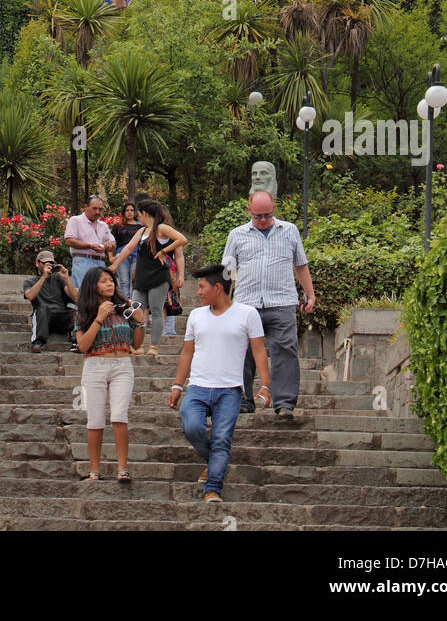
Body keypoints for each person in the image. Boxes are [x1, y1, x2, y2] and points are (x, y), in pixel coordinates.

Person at [168, 264, 271, 503]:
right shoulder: (196, 315)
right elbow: (186, 353)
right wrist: (177, 385)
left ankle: (213, 488)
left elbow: (258, 351)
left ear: (217, 288)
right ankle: (216, 461)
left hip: (230, 390)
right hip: (197, 387)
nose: (199, 292)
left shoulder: (247, 314)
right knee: (192, 427)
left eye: (202, 287)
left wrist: (265, 386)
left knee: (222, 438)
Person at [223, 190, 316, 419]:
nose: (262, 220)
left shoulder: (290, 231)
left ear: (274, 208)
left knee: (285, 351)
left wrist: (310, 295)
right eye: (257, 216)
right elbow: (227, 272)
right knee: (241, 352)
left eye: (266, 215)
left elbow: (301, 265)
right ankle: (244, 400)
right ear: (249, 211)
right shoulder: (237, 235)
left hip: (282, 301)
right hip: (246, 303)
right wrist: (223, 303)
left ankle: (284, 404)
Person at [74, 267, 145, 482]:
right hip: (94, 364)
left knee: (119, 415)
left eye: (111, 280)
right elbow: (83, 346)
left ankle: (122, 469)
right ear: (92, 286)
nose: (110, 284)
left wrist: (140, 322)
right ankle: (94, 471)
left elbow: (137, 343)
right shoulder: (83, 312)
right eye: (104, 281)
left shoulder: (124, 309)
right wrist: (98, 318)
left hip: (122, 363)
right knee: (94, 419)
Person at [109, 198, 186, 356]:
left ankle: (154, 346)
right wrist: (115, 265)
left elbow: (182, 239)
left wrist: (164, 251)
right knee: (135, 308)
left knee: (156, 310)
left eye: (138, 213)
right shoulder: (141, 231)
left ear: (144, 213)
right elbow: (129, 248)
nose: (137, 216)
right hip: (142, 276)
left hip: (158, 275)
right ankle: (136, 345)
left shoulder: (162, 228)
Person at [22, 250, 78, 353]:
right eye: (45, 263)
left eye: (51, 263)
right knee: (42, 309)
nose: (49, 266)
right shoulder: (29, 282)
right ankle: (38, 342)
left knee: (75, 310)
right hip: (43, 317)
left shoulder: (59, 280)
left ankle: (76, 341)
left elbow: (75, 298)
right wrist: (43, 277)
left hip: (60, 317)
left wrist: (66, 278)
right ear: (37, 263)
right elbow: (30, 295)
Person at [64, 194, 116, 286]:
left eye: (100, 209)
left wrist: (110, 246)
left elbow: (113, 244)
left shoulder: (103, 225)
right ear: (85, 207)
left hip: (100, 262)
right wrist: (90, 246)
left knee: (100, 293)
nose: (97, 212)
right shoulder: (76, 220)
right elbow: (69, 241)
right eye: (94, 208)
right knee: (83, 292)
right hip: (83, 261)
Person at [111, 202, 141, 300]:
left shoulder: (140, 226)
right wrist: (110, 256)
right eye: (127, 210)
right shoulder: (118, 226)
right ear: (124, 212)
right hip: (121, 256)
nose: (129, 212)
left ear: (135, 212)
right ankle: (125, 305)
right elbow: (110, 241)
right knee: (124, 282)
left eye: (131, 210)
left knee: (135, 281)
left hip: (137, 256)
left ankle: (134, 305)